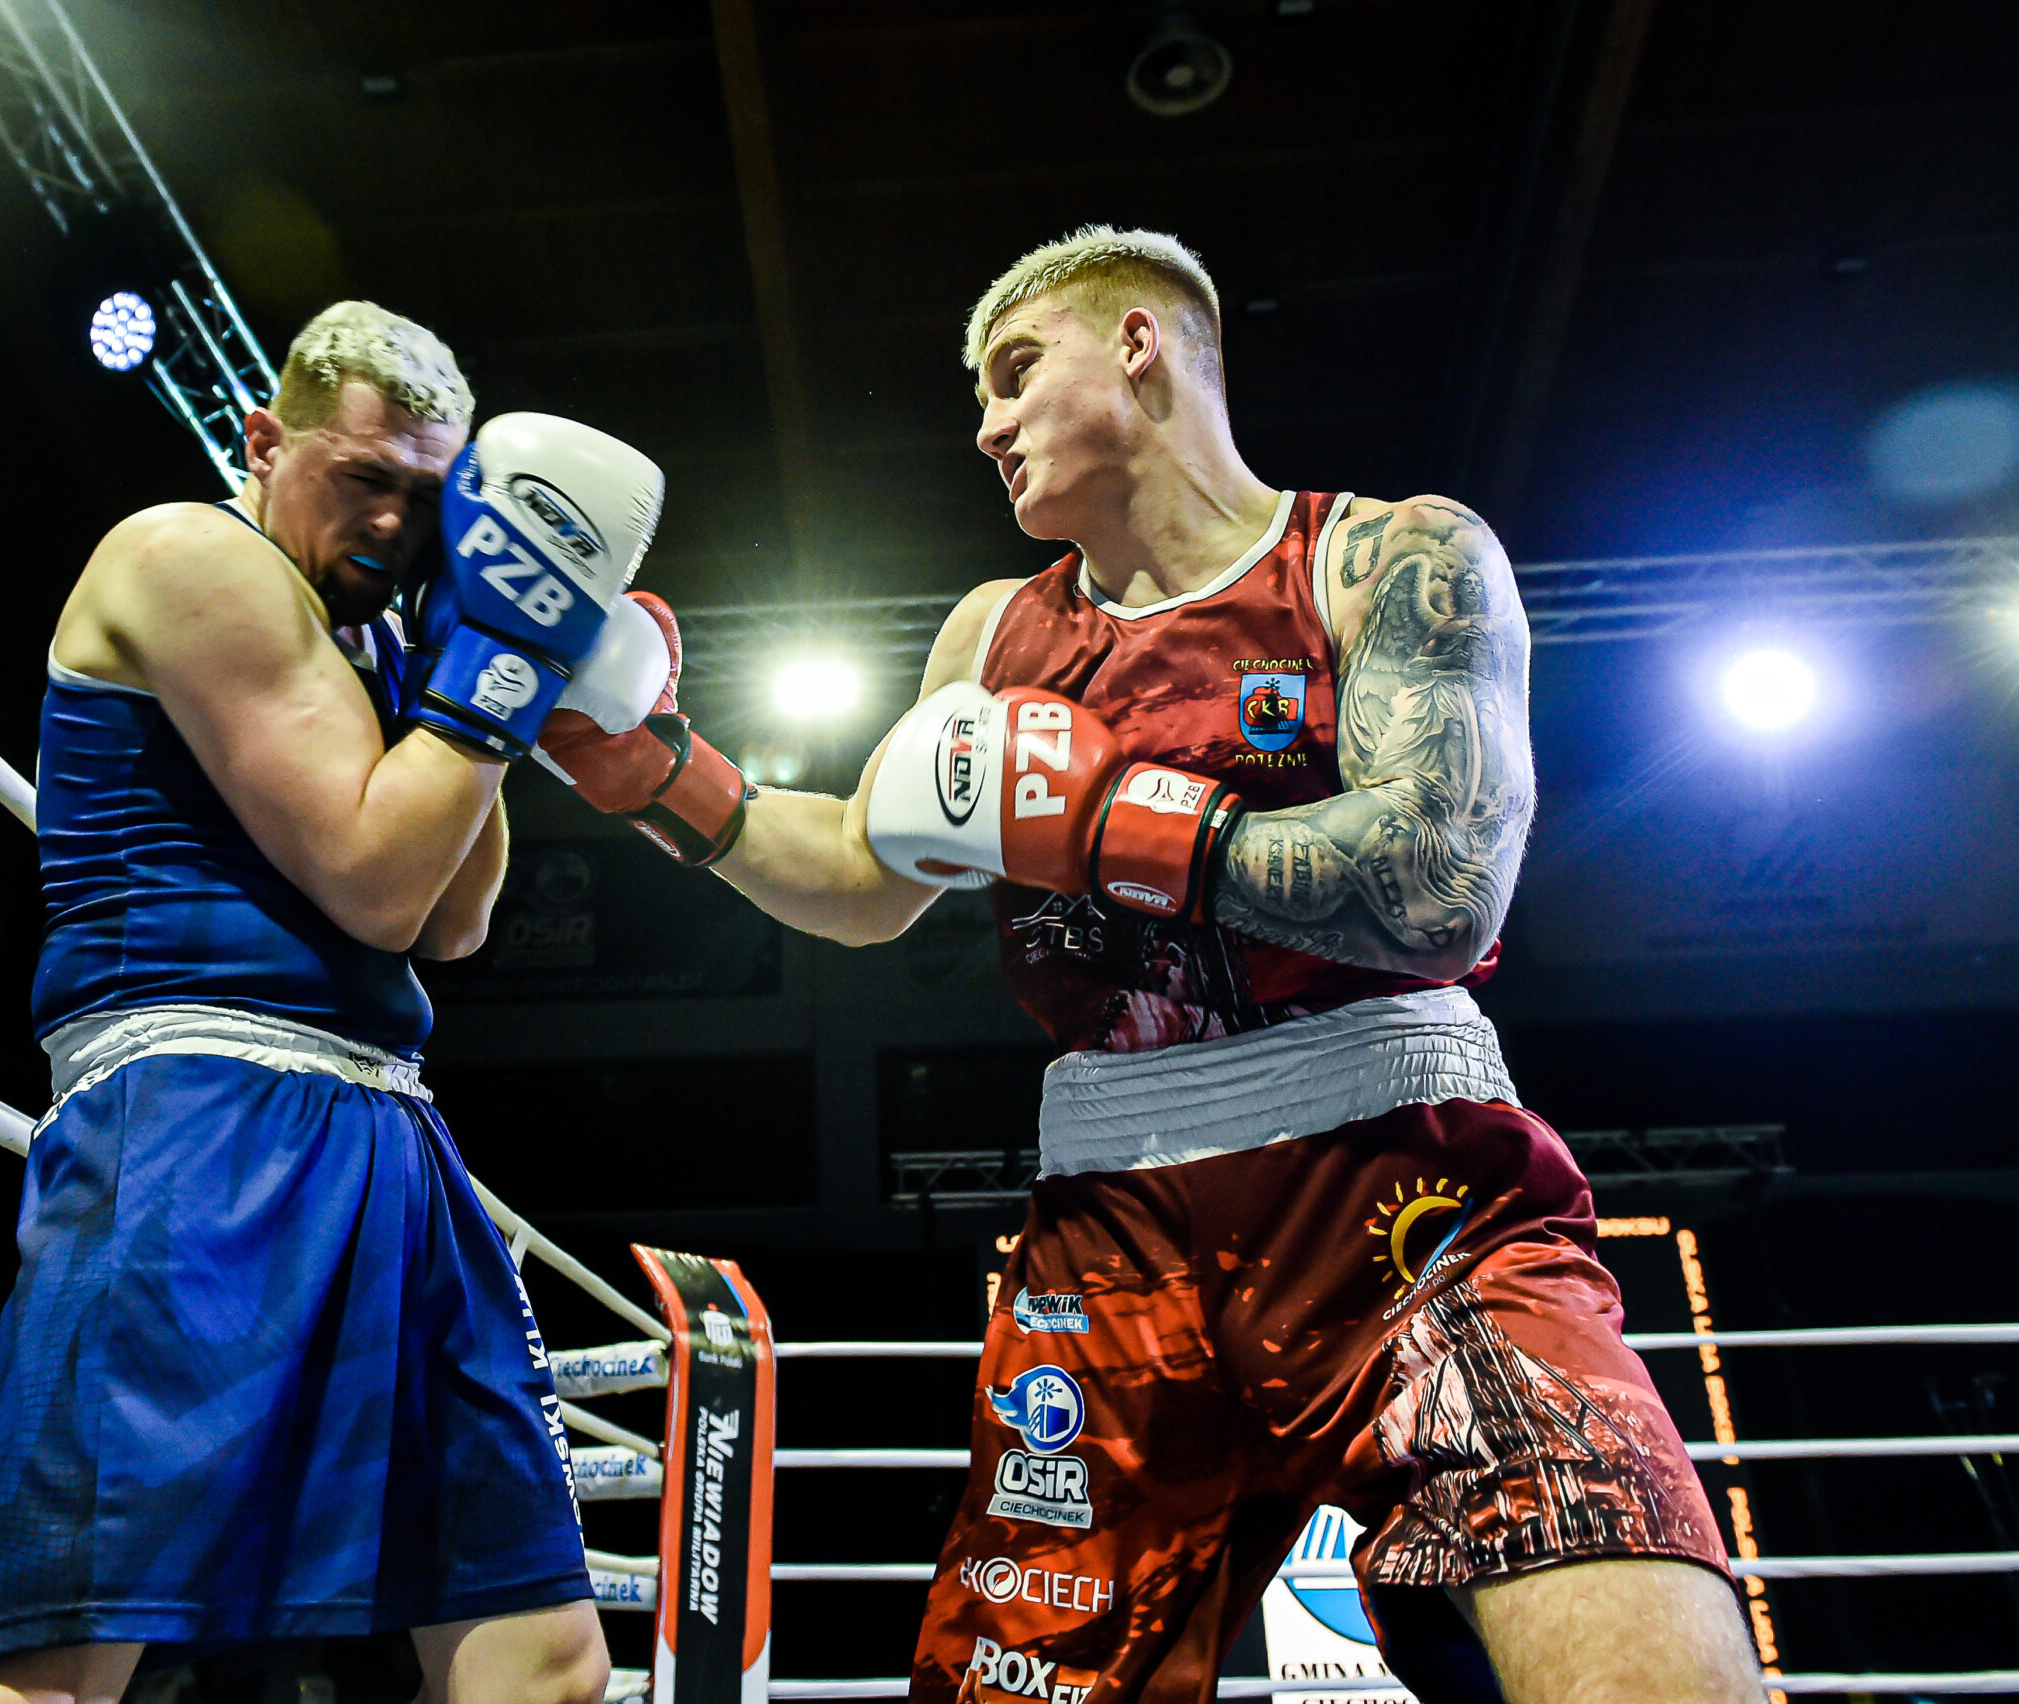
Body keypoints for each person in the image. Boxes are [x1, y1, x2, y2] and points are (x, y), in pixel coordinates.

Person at [534, 233, 1767, 1703]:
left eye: (1014, 373)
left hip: (1409, 1190)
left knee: (1645, 1664)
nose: (985, 426)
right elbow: (865, 879)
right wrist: (657, 770)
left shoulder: (1387, 557)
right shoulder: (994, 634)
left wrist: (1118, 820)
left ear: (1137, 344)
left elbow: (1442, 886)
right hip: (1109, 1237)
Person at [0, 300, 669, 1704]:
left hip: (386, 1129)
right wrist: (501, 666)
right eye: (364, 478)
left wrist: (479, 649)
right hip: (199, 1119)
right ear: (265, 442)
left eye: (430, 499)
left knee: (546, 1660)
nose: (394, 523)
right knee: (48, 1672)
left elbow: (454, 919)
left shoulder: (380, 647)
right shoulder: (187, 554)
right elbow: (380, 884)